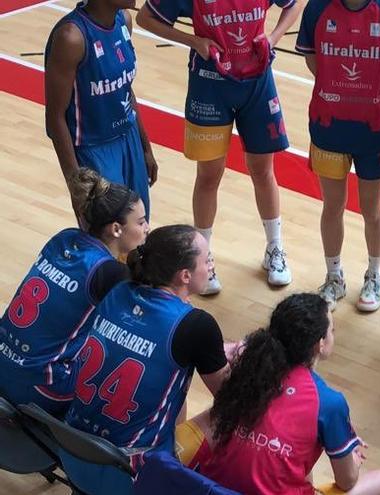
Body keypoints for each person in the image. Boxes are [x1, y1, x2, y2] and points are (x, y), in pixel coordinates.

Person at [136, 0, 303, 294]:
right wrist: (194, 40)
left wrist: (273, 37)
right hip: (209, 83)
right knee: (209, 174)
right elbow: (146, 18)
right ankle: (202, 256)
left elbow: (296, 3)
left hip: (257, 82)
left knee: (263, 170)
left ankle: (274, 248)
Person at [173, 293, 380, 495]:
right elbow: (347, 481)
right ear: (320, 344)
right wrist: (353, 459)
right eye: (332, 330)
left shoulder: (249, 371)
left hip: (211, 488)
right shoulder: (329, 402)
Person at [62, 225, 230, 495]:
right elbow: (232, 396)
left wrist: (212, 350)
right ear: (185, 275)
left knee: (170, 375)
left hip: (71, 450)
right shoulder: (197, 325)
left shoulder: (117, 287)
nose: (211, 265)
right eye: (207, 259)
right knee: (225, 413)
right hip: (127, 473)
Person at [0, 168, 147, 416]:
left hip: (3, 361)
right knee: (133, 365)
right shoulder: (110, 273)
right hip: (41, 387)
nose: (147, 229)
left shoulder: (64, 238)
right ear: (116, 229)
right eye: (141, 222)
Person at [295, 0, 380, 312]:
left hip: (374, 127)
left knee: (372, 209)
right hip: (328, 124)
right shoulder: (317, 9)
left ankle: (374, 275)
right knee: (332, 205)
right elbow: (312, 58)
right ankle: (334, 277)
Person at [45, 0, 157, 220]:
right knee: (108, 236)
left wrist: (145, 147)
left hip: (129, 137)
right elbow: (55, 118)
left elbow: (125, 88)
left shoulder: (124, 20)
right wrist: (74, 181)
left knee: (138, 232)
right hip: (93, 147)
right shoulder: (71, 37)